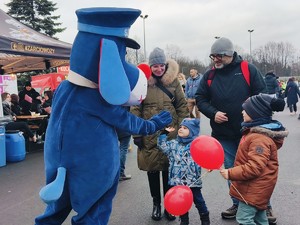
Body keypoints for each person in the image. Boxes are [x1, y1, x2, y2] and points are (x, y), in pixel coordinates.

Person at [195, 37, 267, 221]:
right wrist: (213, 113)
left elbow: (262, 95)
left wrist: (251, 112)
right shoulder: (210, 75)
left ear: (230, 54)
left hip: (250, 132)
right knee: (231, 170)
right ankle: (237, 204)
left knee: (256, 169)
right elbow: (200, 99)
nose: (215, 60)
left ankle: (264, 207)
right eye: (213, 56)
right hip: (223, 134)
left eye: (219, 56)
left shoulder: (247, 69)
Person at [131, 47, 188, 221]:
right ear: (150, 66)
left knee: (169, 171)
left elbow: (182, 107)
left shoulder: (173, 82)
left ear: (165, 65)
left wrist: (184, 130)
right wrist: (137, 133)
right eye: (155, 66)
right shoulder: (142, 82)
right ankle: (156, 204)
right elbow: (135, 107)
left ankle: (169, 205)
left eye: (161, 65)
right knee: (153, 171)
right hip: (149, 134)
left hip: (171, 134)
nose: (158, 69)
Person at [220, 94, 288, 225]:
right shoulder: (255, 133)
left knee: (244, 219)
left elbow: (254, 167)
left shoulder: (259, 138)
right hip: (256, 189)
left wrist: (231, 173)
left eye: (246, 110)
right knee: (260, 219)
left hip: (254, 189)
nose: (242, 112)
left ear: (256, 113)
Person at [157, 118, 210, 225]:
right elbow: (161, 146)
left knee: (199, 201)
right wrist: (164, 133)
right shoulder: (173, 144)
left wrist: (208, 165)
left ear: (193, 131)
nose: (181, 129)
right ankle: (184, 221)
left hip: (193, 181)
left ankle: (205, 218)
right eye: (180, 127)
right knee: (182, 202)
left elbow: (206, 156)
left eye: (185, 128)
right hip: (177, 181)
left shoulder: (197, 146)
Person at [117, 106, 132, 181]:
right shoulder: (127, 98)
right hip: (125, 126)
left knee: (113, 151)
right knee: (123, 150)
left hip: (113, 126)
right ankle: (120, 173)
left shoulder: (111, 97)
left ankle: (112, 173)